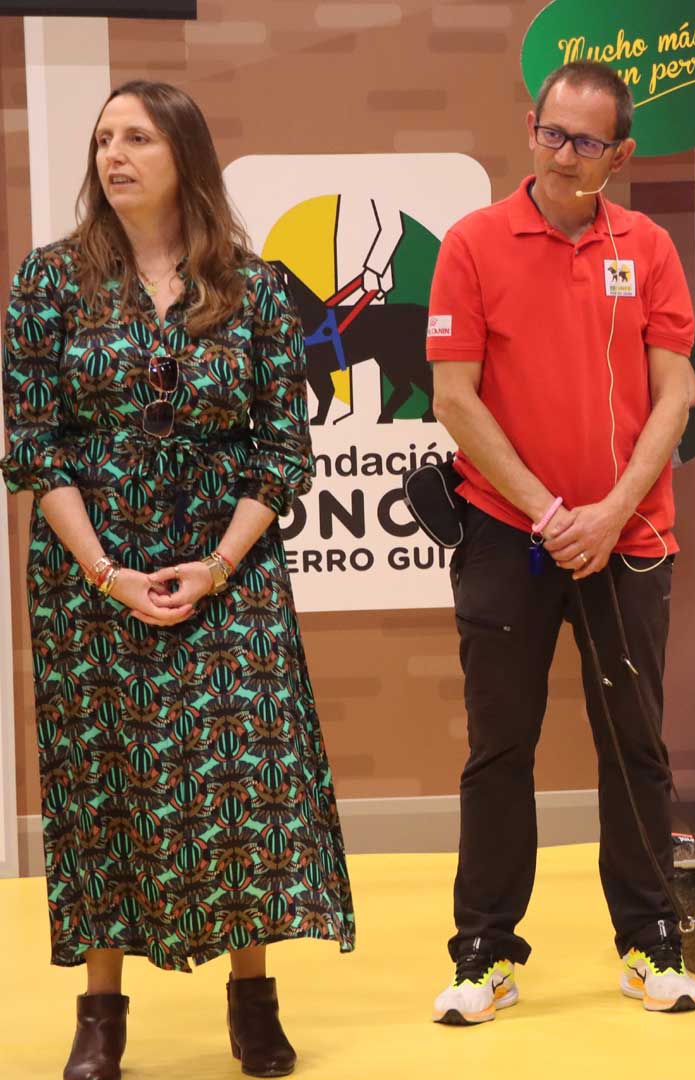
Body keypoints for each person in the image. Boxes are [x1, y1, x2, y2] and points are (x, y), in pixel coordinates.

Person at [2, 81, 354, 1080]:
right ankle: (100, 1017)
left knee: (244, 788)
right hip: (90, 578)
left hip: (229, 572)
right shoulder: (51, 281)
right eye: (104, 139)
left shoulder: (253, 288)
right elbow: (34, 445)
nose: (114, 155)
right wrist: (107, 572)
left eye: (139, 138)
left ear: (184, 156)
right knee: (107, 788)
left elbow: (282, 450)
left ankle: (253, 1001)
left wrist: (219, 564)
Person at [424, 60, 695, 1023]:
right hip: (510, 535)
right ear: (529, 128)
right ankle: (484, 952)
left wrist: (612, 511)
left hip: (630, 535)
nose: (565, 154)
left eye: (588, 141)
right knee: (500, 748)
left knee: (636, 745)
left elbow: (676, 390)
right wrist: (550, 514)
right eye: (553, 133)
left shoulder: (649, 248)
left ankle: (651, 940)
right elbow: (455, 398)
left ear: (620, 154)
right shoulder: (472, 243)